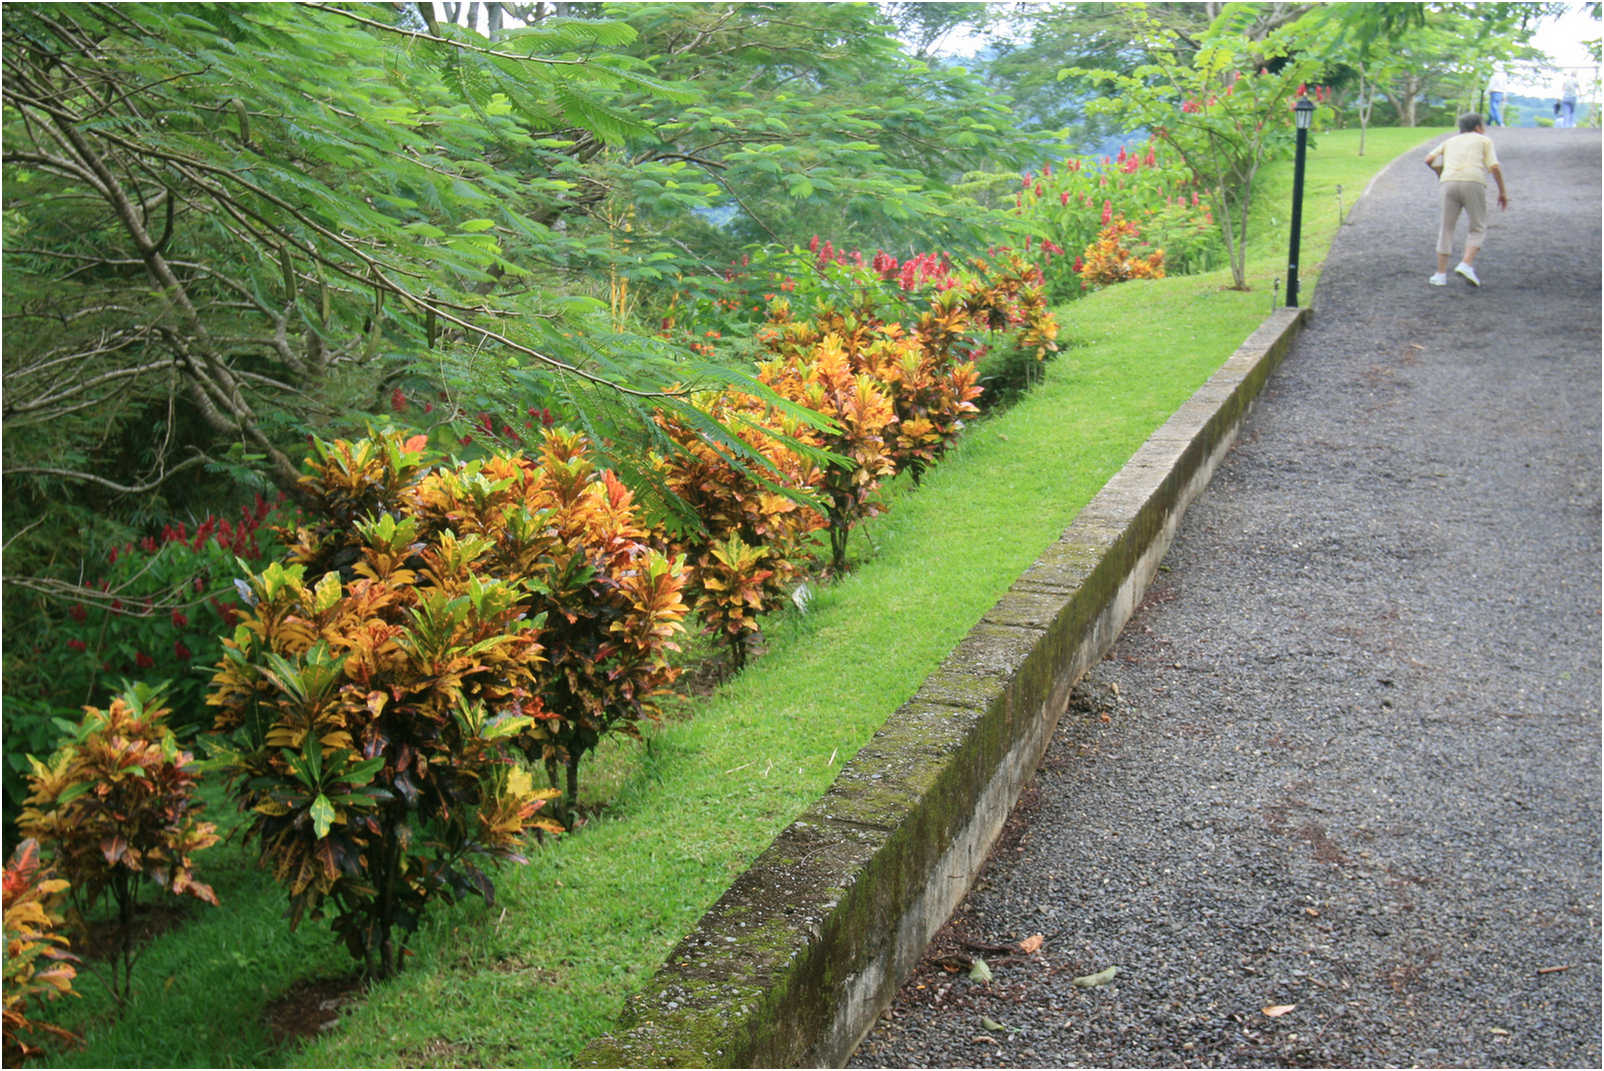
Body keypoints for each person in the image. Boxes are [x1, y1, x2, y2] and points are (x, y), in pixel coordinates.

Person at [1423, 113, 1509, 287]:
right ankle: (1466, 263)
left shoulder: (1450, 141)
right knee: (1478, 226)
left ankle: (1440, 274)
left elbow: (1429, 159)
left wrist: (1440, 172)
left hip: (1449, 182)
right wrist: (1502, 192)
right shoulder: (1484, 140)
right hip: (1473, 181)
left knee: (1446, 227)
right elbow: (1494, 167)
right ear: (1478, 127)